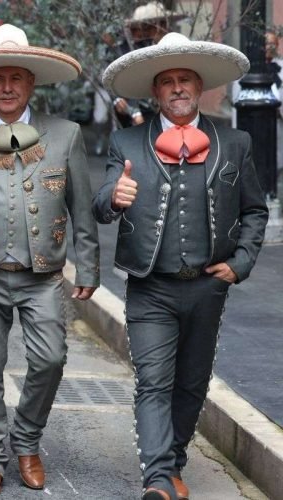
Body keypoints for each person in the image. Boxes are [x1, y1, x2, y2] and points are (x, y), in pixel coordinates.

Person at [97, 33, 267, 500]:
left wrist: (241, 263)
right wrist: (114, 196)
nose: (176, 87)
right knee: (154, 382)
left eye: (185, 79)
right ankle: (157, 479)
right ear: (155, 91)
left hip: (208, 286)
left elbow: (254, 210)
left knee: (191, 385)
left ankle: (172, 462)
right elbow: (101, 201)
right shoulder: (126, 140)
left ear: (199, 86)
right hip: (150, 286)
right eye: (167, 81)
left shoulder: (234, 142)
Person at [0, 24, 100, 497]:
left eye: (17, 78)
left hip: (43, 276)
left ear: (31, 83)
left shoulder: (65, 133)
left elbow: (81, 207)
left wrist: (88, 268)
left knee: (50, 360)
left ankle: (26, 441)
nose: (7, 87)